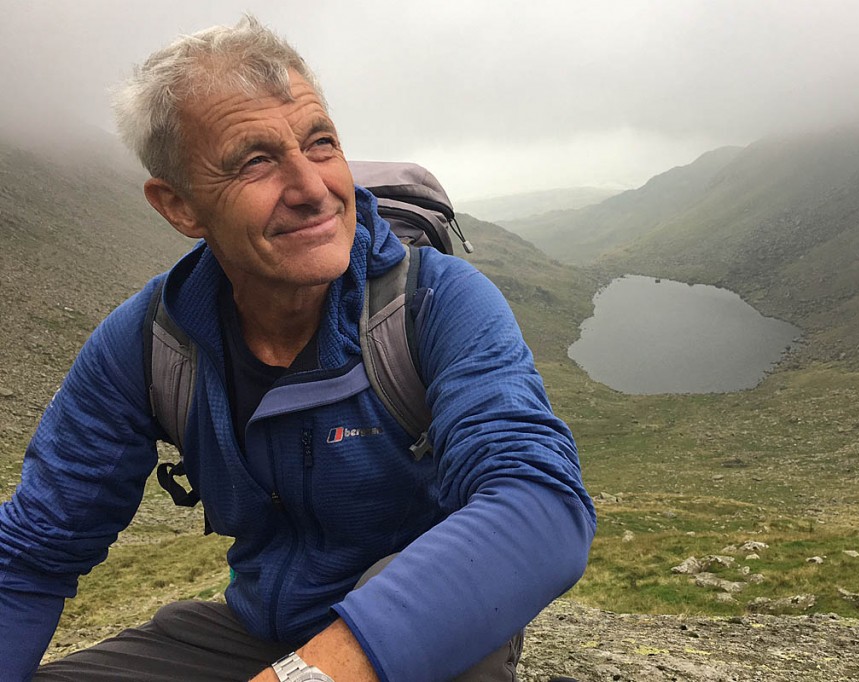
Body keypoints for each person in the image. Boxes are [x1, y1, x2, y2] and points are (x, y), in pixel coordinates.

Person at [0, 16, 595, 682]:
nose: (313, 189)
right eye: (254, 160)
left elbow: (541, 503)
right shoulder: (148, 344)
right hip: (257, 629)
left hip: (431, 625)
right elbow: (30, 554)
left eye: (321, 142)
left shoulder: (435, 302)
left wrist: (307, 676)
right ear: (180, 206)